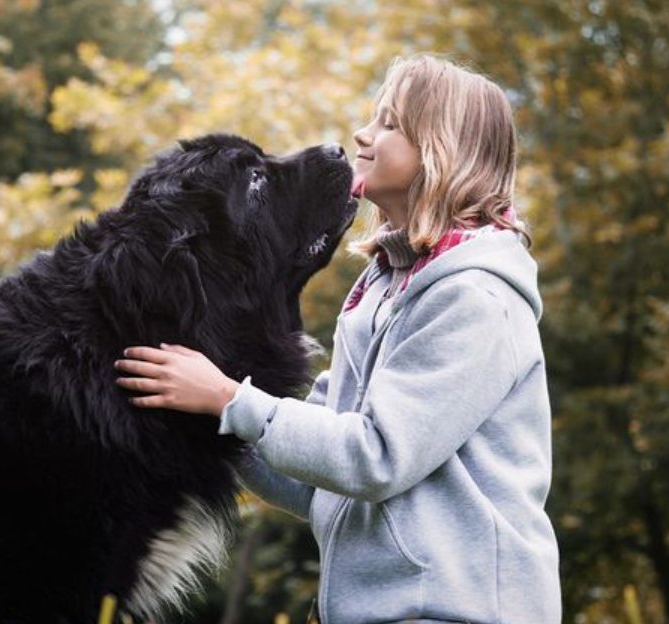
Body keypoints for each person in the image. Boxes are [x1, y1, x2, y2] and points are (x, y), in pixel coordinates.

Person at [113, 53, 561, 624]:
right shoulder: (384, 288)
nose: (362, 134)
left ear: (443, 151)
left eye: (391, 123)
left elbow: (373, 458)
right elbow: (315, 479)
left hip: (455, 611)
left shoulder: (475, 299)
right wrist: (208, 415)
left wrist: (230, 399)